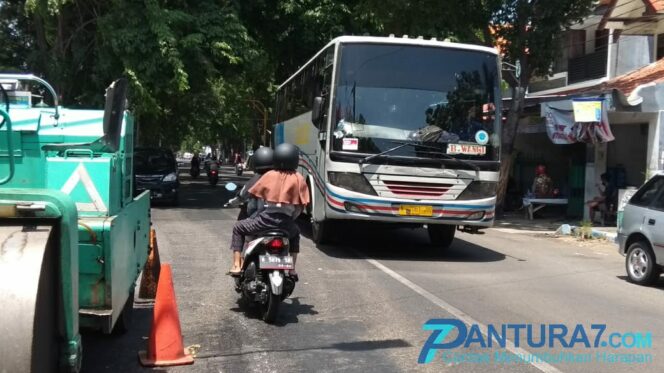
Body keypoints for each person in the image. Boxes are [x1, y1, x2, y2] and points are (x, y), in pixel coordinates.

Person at [227, 143, 309, 275]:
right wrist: (290, 219)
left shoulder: (269, 176)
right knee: (295, 235)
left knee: (238, 228)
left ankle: (237, 265)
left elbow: (254, 194)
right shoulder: (299, 178)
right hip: (286, 223)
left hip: (265, 220)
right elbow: (300, 206)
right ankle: (292, 268)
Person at [225, 146, 274, 220]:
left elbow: (243, 195)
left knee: (238, 228)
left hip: (259, 221)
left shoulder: (255, 180)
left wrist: (232, 202)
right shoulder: (284, 178)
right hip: (284, 222)